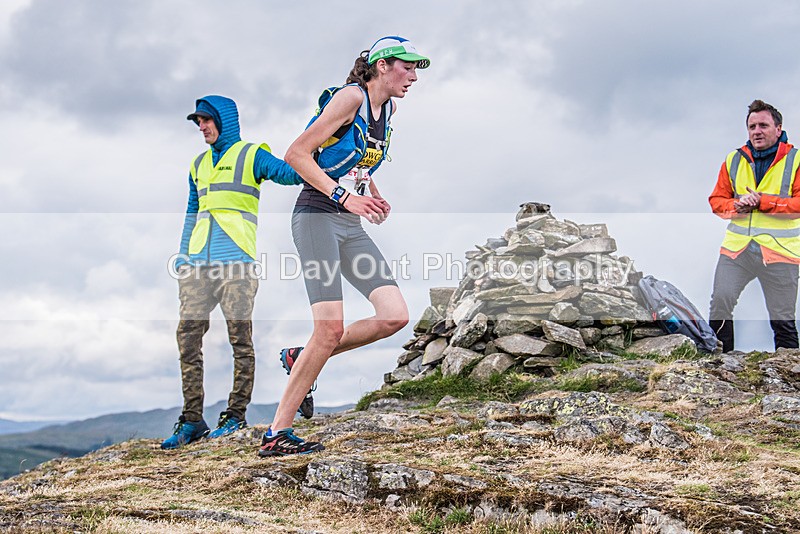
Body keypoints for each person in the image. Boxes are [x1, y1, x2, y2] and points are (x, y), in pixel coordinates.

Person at [258, 36, 430, 456]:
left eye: (416, 69)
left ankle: (303, 357)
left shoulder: (384, 110)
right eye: (407, 67)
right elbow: (297, 154)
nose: (413, 76)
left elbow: (355, 161)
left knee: (394, 316)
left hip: (349, 224)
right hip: (317, 218)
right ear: (383, 65)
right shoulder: (350, 97)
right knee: (329, 329)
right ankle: (276, 434)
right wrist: (344, 197)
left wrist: (371, 190)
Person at [161, 95, 302, 450]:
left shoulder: (251, 155)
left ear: (224, 120)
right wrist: (183, 253)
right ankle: (192, 420)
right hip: (196, 265)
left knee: (240, 339)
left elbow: (291, 173)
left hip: (236, 264)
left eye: (206, 120)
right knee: (188, 340)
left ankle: (235, 415)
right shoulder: (197, 165)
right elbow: (192, 211)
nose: (202, 127)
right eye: (198, 123)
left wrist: (320, 145)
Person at [709, 99, 800, 353]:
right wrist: (737, 206)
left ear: (778, 129)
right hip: (737, 250)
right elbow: (717, 201)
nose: (756, 131)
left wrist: (764, 202)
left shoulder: (796, 160)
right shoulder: (733, 160)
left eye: (763, 125)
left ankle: (791, 378)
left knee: (783, 319)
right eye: (752, 126)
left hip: (781, 252)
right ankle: (718, 363)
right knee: (720, 303)